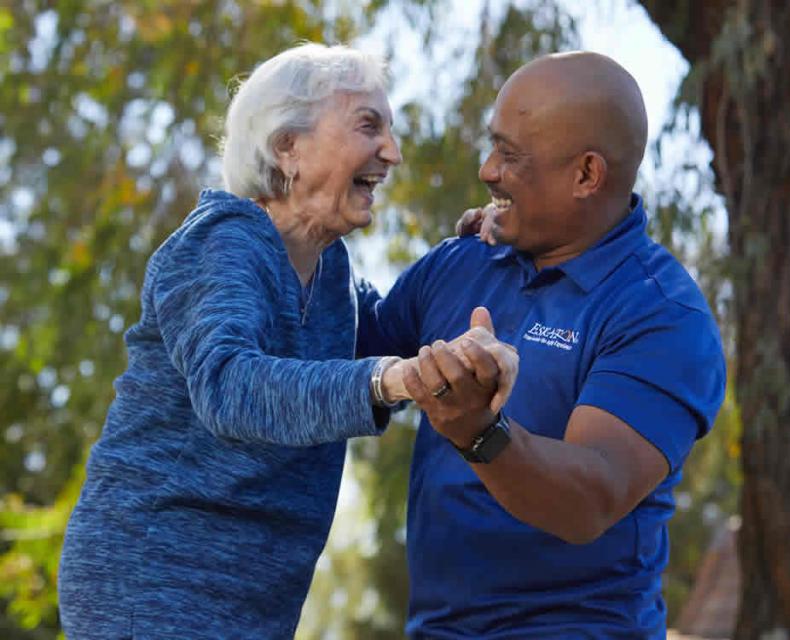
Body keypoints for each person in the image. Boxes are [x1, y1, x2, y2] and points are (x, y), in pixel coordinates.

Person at [58, 43, 517, 640]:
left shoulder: (331, 272)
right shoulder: (222, 243)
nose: (393, 153)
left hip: (252, 597)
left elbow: (388, 333)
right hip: (153, 578)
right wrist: (389, 378)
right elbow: (232, 388)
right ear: (287, 147)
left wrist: (468, 252)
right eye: (368, 125)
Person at [358, 51, 727, 638]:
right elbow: (345, 350)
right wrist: (314, 222)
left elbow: (590, 498)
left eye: (510, 155)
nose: (486, 169)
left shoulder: (662, 315)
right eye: (492, 145)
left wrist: (479, 432)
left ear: (586, 175)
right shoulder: (465, 262)